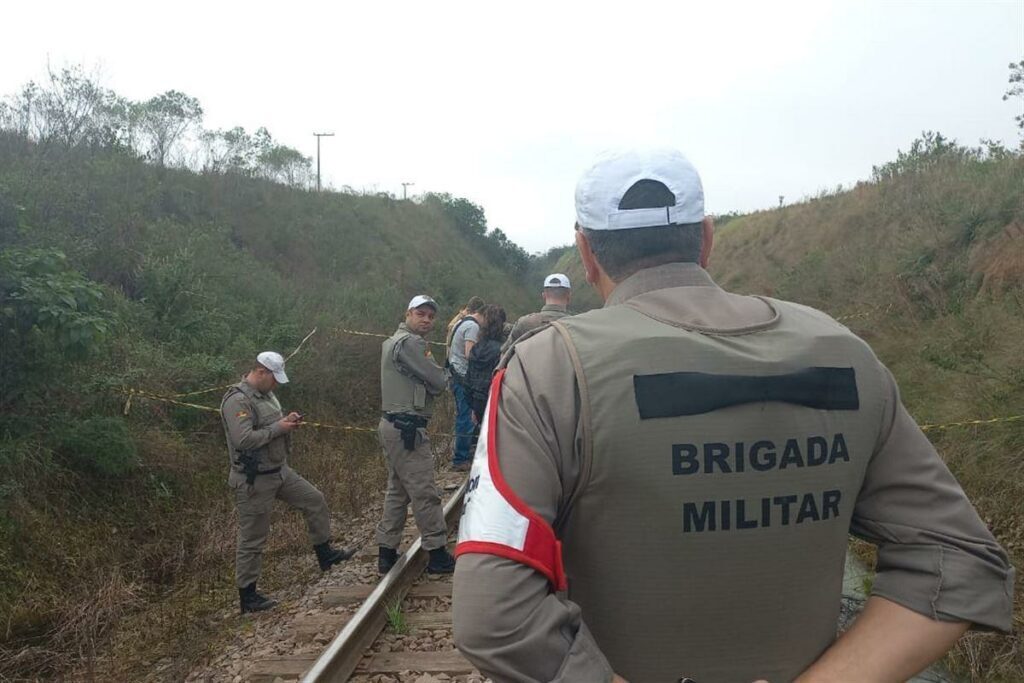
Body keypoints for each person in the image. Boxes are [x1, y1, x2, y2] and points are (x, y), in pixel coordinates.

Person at [452, 149, 1014, 682]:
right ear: (706, 237)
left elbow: (494, 615)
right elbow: (958, 558)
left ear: (586, 250)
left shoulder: (549, 367)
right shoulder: (843, 351)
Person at [221, 351, 354, 614]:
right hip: (253, 479)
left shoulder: (266, 395)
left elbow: (271, 424)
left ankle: (325, 555)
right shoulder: (237, 401)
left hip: (279, 471)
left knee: (315, 500)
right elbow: (244, 440)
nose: (277, 385)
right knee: (253, 538)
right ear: (261, 372)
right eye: (274, 379)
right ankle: (248, 596)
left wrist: (288, 421)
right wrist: (279, 429)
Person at [376, 295, 457, 575]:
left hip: (394, 425)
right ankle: (437, 554)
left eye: (431, 316)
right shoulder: (411, 343)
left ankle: (386, 553)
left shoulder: (393, 340)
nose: (426, 320)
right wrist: (440, 377)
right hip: (406, 428)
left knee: (397, 491)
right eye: (421, 314)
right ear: (408, 313)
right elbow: (437, 380)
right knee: (425, 491)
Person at [447, 297, 485, 472]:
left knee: (464, 416)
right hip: (462, 377)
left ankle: (463, 453)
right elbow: (470, 353)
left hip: (455, 374)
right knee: (466, 417)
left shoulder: (461, 322)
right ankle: (460, 458)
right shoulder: (473, 326)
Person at [501, 273, 572, 352]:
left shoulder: (524, 324)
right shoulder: (576, 326)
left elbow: (505, 355)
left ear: (543, 296)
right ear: (569, 297)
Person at [465, 304, 507, 426]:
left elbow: (468, 380)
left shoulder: (476, 348)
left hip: (477, 402)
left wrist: (473, 406)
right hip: (494, 404)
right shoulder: (502, 351)